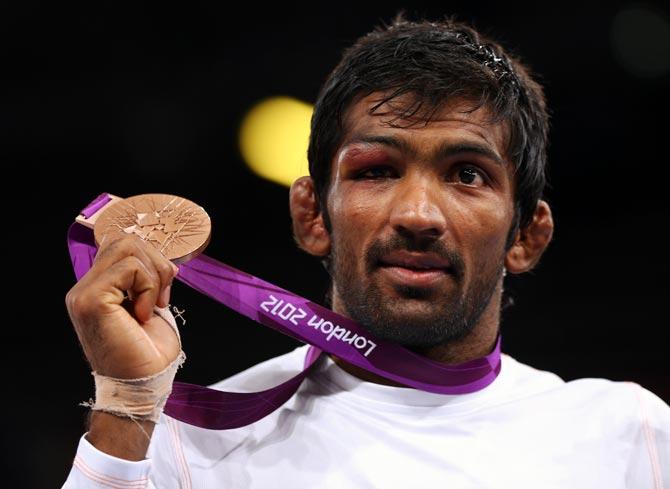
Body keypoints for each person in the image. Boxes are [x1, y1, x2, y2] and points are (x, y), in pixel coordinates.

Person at [62, 12, 669, 488]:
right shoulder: (186, 444)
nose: (417, 215)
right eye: (376, 171)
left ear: (526, 235)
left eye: (467, 174)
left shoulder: (631, 437)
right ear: (311, 215)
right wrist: (127, 407)